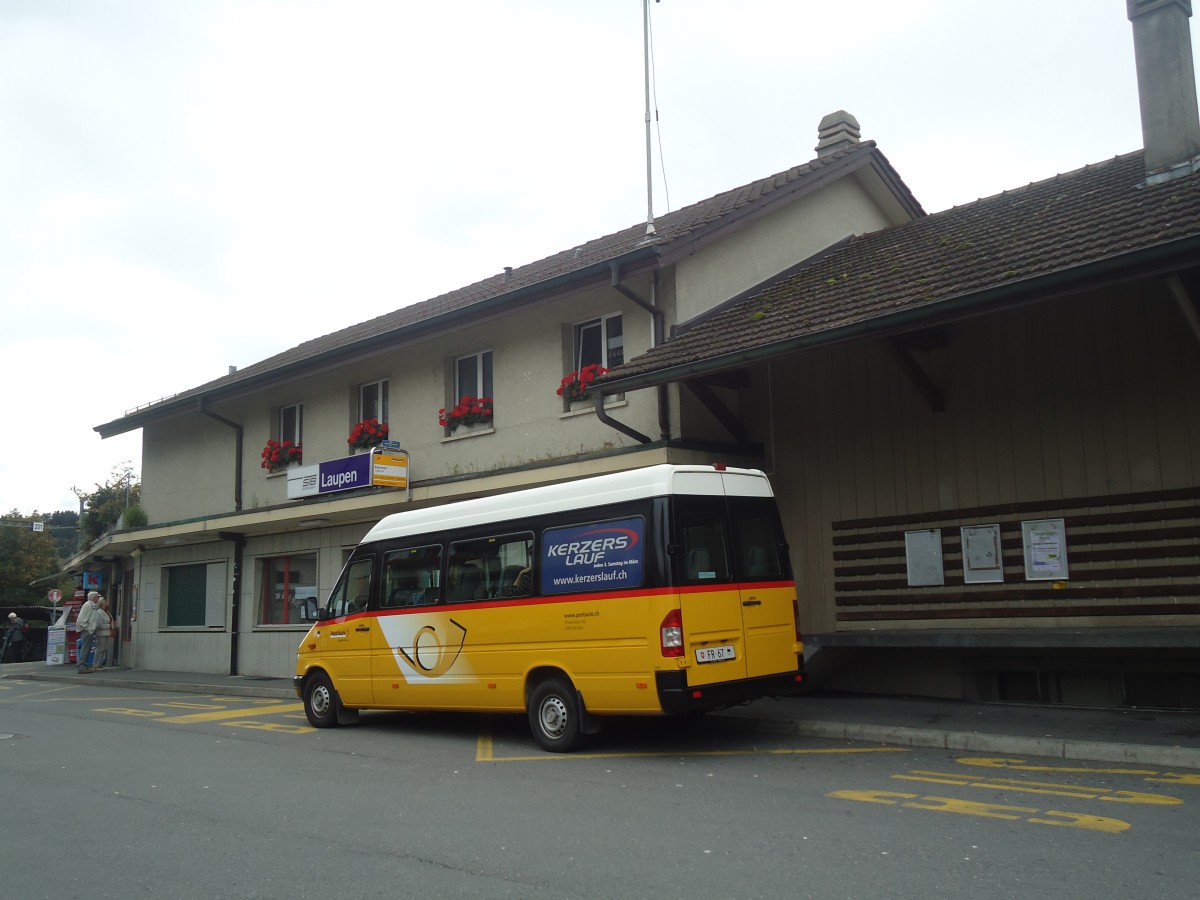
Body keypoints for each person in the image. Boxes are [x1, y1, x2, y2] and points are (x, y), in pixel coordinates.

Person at [75, 591, 100, 673]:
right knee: (86, 648)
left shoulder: (92, 605)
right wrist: (88, 628)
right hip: (88, 630)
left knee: (87, 648)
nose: (98, 599)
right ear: (94, 598)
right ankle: (82, 666)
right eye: (97, 597)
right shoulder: (88, 605)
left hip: (90, 630)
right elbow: (82, 619)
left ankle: (83, 665)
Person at [93, 597, 114, 670]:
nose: (107, 603)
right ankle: (96, 665)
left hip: (107, 633)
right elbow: (99, 624)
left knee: (104, 648)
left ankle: (99, 664)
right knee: (100, 649)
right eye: (105, 602)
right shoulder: (99, 612)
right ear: (102, 604)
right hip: (101, 633)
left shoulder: (106, 611)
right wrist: (109, 626)